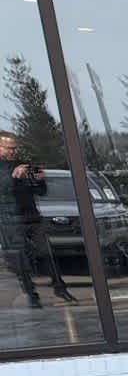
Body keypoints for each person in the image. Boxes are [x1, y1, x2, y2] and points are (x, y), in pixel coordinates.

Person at [0, 129, 75, 307]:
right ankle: (32, 295)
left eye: (14, 148)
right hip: (10, 219)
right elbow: (4, 190)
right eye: (8, 148)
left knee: (47, 253)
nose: (12, 151)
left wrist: (39, 179)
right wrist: (12, 177)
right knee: (21, 260)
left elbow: (41, 192)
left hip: (32, 217)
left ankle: (60, 288)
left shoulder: (21, 164)